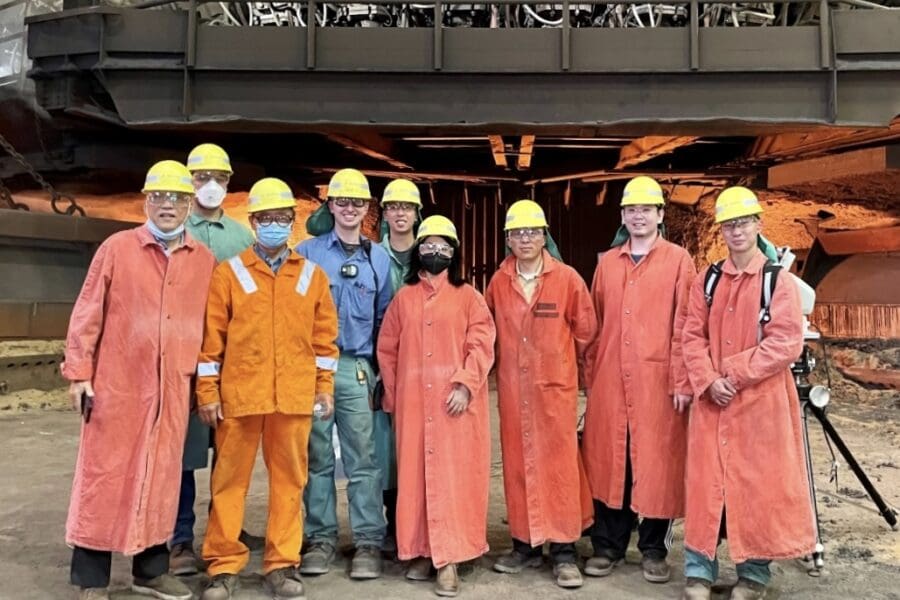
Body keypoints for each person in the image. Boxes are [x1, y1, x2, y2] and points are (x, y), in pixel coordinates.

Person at [62, 160, 215, 600]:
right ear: (146, 201)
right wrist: (79, 374)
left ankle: (149, 571)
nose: (168, 206)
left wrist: (201, 384)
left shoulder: (202, 261)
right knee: (104, 478)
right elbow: (87, 313)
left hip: (172, 391)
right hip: (116, 387)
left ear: (189, 205)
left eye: (177, 198)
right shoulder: (117, 248)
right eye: (160, 197)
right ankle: (92, 579)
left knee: (162, 479)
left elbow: (209, 329)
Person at [196, 177, 339, 600]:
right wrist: (207, 392)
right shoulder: (230, 273)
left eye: (281, 218)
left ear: (290, 223)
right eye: (267, 218)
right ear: (254, 221)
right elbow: (211, 341)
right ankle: (223, 566)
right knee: (228, 483)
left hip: (293, 397)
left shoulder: (311, 276)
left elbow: (324, 341)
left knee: (289, 483)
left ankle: (281, 564)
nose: (274, 225)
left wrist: (323, 387)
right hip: (240, 397)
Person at [680, 186, 815, 600]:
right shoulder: (709, 279)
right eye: (729, 224)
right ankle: (698, 572)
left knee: (757, 486)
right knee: (705, 486)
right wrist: (706, 380)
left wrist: (732, 375)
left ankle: (753, 575)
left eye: (743, 222)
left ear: (758, 224)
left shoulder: (779, 282)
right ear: (721, 229)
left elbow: (786, 342)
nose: (736, 230)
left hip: (759, 403)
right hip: (712, 401)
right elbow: (690, 334)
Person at [581, 176, 696, 584]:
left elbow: (688, 324)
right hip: (611, 380)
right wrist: (590, 380)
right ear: (623, 216)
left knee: (658, 461)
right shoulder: (607, 263)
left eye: (646, 209)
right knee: (611, 459)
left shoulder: (679, 261)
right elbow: (593, 326)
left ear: (661, 215)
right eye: (631, 210)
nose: (638, 216)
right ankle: (607, 546)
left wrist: (683, 380)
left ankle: (653, 549)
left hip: (658, 381)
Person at [377, 215, 496, 597]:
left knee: (453, 478)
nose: (434, 251)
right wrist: (394, 397)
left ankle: (450, 560)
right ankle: (423, 551)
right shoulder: (404, 298)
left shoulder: (469, 297)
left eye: (443, 245)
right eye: (427, 244)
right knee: (415, 477)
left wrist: (465, 384)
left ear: (454, 252)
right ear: (418, 251)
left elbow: (481, 344)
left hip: (454, 406)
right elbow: (388, 349)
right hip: (414, 407)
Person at [485, 200, 596, 589]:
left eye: (532, 231)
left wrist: (581, 383)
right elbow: (487, 334)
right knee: (516, 466)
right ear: (508, 239)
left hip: (556, 394)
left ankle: (564, 550)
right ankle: (525, 546)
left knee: (560, 467)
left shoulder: (567, 279)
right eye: (518, 233)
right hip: (514, 395)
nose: (525, 238)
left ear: (545, 236)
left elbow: (586, 334)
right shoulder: (498, 283)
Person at [298, 168, 392, 579]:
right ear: (330, 206)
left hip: (356, 367)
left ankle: (368, 542)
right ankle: (320, 539)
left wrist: (378, 372)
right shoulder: (307, 253)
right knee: (316, 456)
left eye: (358, 202)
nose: (350, 208)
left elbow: (386, 319)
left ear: (368, 209)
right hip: (313, 367)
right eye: (342, 201)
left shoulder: (379, 257)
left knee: (363, 460)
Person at [171, 142, 257, 576]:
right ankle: (180, 538)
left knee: (232, 455)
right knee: (183, 455)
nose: (209, 186)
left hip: (232, 363)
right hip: (184, 363)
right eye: (201, 178)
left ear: (228, 184)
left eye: (218, 179)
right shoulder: (172, 231)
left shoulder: (243, 238)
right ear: (190, 181)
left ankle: (226, 531)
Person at [376, 177, 423, 553]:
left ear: (417, 213)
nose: (400, 213)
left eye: (406, 207)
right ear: (384, 214)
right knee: (386, 450)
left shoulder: (430, 255)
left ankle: (417, 527)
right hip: (382, 363)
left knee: (418, 446)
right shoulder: (373, 255)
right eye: (393, 207)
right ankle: (392, 527)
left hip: (422, 367)